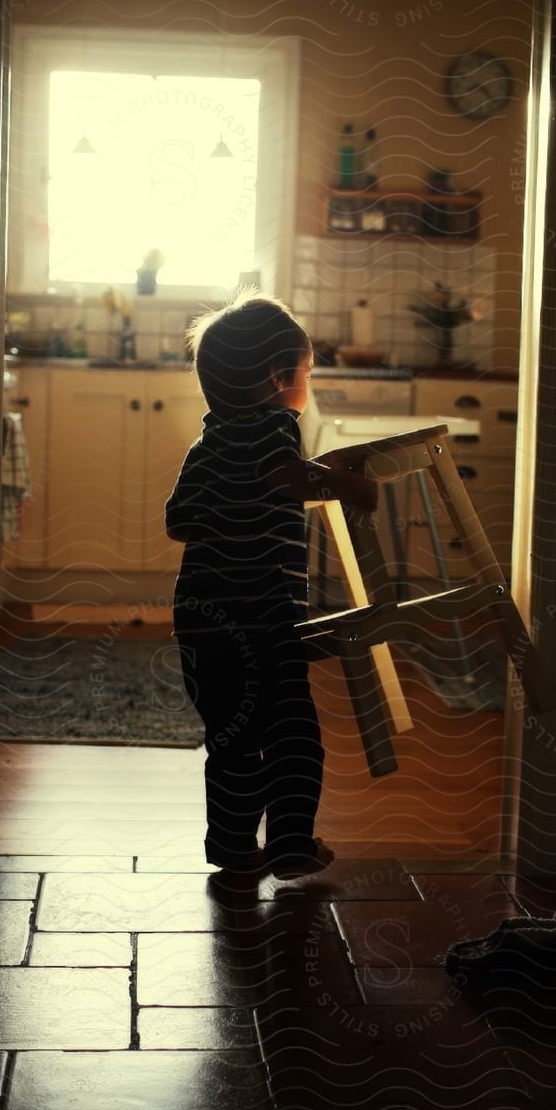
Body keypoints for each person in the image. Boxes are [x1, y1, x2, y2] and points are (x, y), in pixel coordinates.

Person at [164, 291, 377, 882]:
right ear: (278, 378)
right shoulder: (275, 426)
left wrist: (230, 506)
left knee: (232, 737)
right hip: (264, 615)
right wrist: (354, 488)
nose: (306, 385)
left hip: (203, 617)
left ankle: (234, 847)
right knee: (293, 735)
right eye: (307, 372)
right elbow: (292, 478)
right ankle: (289, 844)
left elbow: (177, 521)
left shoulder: (205, 446)